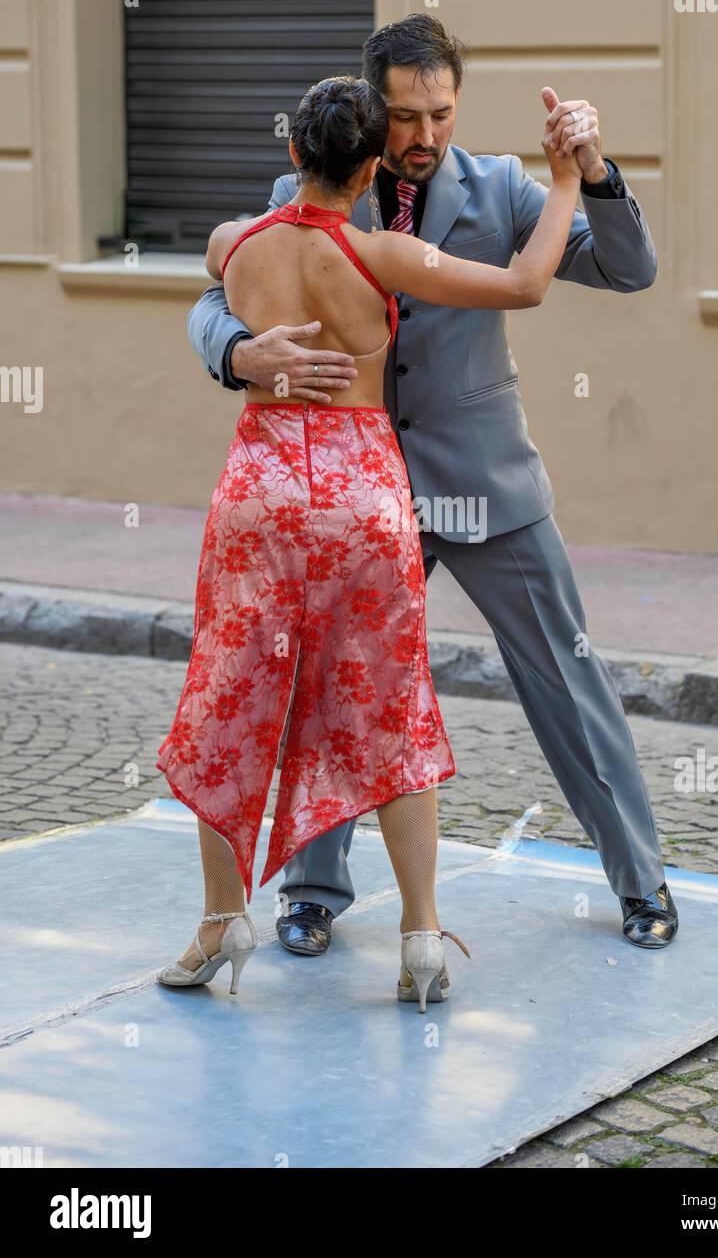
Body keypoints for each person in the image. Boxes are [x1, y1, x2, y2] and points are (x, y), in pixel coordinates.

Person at [188, 14, 678, 956]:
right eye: (405, 117)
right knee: (331, 685)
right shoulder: (309, 190)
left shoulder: (500, 187)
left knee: (569, 683)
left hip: (489, 486)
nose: (423, 136)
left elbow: (628, 269)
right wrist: (241, 353)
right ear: (374, 115)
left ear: (459, 104)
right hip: (354, 497)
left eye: (440, 113)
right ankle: (312, 892)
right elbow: (215, 297)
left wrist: (595, 173)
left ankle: (640, 881)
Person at [156, 75, 582, 1009]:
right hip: (362, 494)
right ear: (373, 164)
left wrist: (244, 349)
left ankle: (221, 922)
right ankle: (422, 938)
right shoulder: (383, 252)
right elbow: (525, 284)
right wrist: (561, 182)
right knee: (391, 703)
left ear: (296, 155)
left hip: (260, 489)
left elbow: (210, 274)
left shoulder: (240, 243)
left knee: (230, 695)